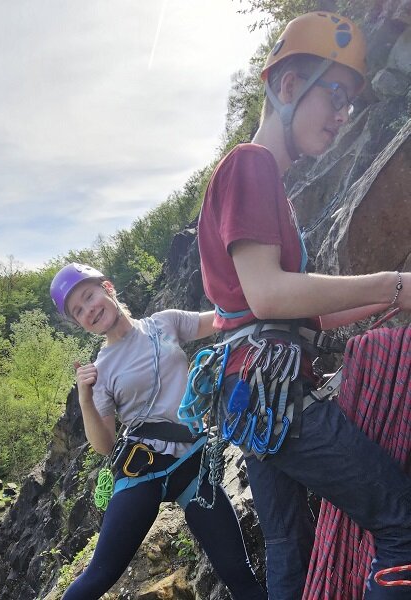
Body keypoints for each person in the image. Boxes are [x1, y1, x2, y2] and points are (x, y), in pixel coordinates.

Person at [197, 11, 411, 599]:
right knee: (402, 523)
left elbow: (290, 312)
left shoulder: (268, 186)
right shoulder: (251, 164)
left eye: (348, 103)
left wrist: (385, 298)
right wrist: (392, 282)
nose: (343, 116)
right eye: (334, 95)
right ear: (288, 86)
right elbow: (270, 292)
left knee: (291, 547)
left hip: (253, 395)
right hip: (275, 392)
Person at [49, 263, 267, 599]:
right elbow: (105, 445)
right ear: (79, 323)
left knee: (239, 572)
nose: (88, 309)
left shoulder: (164, 323)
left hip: (193, 463)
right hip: (143, 470)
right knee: (98, 576)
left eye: (89, 296)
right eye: (78, 310)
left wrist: (269, 295)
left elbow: (223, 318)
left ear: (108, 288)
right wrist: (86, 400)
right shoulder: (101, 371)